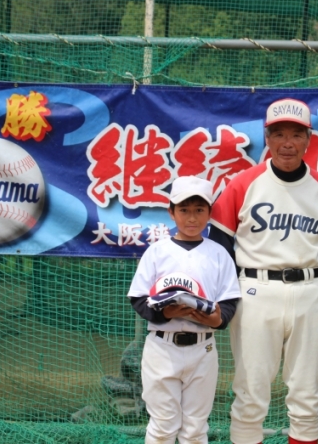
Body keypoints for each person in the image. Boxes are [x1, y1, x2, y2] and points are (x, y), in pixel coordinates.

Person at [208, 98, 318, 444]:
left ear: (309, 140)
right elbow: (220, 246)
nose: (287, 143)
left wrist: (313, 281)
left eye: (296, 134)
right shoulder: (242, 183)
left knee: (308, 392)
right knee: (250, 391)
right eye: (278, 134)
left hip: (310, 291)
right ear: (266, 138)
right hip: (256, 291)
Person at [127, 175, 241, 444]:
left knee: (195, 429)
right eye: (184, 210)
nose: (192, 218)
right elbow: (139, 298)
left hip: (203, 348)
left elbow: (229, 301)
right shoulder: (157, 251)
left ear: (209, 213)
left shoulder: (219, 253)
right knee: (163, 426)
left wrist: (217, 319)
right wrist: (165, 313)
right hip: (162, 346)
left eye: (199, 210)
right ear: (171, 212)